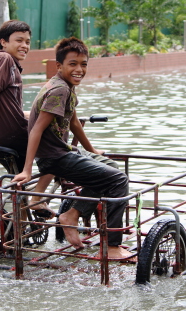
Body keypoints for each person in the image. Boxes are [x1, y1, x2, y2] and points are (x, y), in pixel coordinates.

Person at [13, 37, 131, 258]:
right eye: (73, 64)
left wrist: (93, 151)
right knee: (118, 180)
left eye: (83, 64)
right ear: (59, 66)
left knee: (111, 167)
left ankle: (73, 214)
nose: (79, 69)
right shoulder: (59, 90)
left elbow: (74, 122)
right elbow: (36, 129)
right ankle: (112, 246)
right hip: (55, 157)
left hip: (64, 151)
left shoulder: (67, 86)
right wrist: (27, 170)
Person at [0, 20, 54, 217]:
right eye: (19, 40)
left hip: (9, 134)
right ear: (3, 42)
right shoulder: (4, 59)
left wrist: (31, 114)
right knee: (59, 153)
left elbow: (9, 107)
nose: (24, 46)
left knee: (19, 186)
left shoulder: (12, 65)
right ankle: (37, 199)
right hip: (13, 136)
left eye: (27, 41)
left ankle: (19, 231)